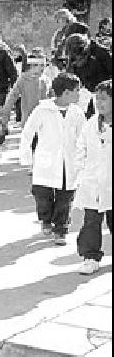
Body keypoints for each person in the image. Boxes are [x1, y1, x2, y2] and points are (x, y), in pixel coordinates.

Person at [20, 73, 86, 245]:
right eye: (76, 91)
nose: (79, 94)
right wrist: (26, 158)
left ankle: (61, 229)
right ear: (65, 93)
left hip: (69, 164)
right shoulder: (42, 110)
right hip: (46, 162)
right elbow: (28, 133)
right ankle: (46, 220)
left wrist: (84, 160)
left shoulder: (77, 113)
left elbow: (83, 138)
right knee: (43, 197)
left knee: (66, 198)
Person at [74, 80, 112, 275]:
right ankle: (90, 257)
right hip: (93, 183)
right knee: (91, 221)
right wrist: (79, 173)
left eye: (104, 99)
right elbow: (80, 149)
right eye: (97, 99)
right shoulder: (91, 124)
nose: (99, 103)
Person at [1, 50, 51, 129]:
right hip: (29, 121)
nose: (42, 68)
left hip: (44, 121)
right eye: (38, 65)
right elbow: (12, 97)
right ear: (31, 66)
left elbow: (52, 98)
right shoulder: (23, 79)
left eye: (43, 65)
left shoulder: (45, 80)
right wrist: (5, 114)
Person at [65, 33, 113, 106]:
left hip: (105, 92)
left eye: (80, 56)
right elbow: (70, 77)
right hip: (87, 94)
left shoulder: (100, 53)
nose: (78, 58)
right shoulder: (72, 56)